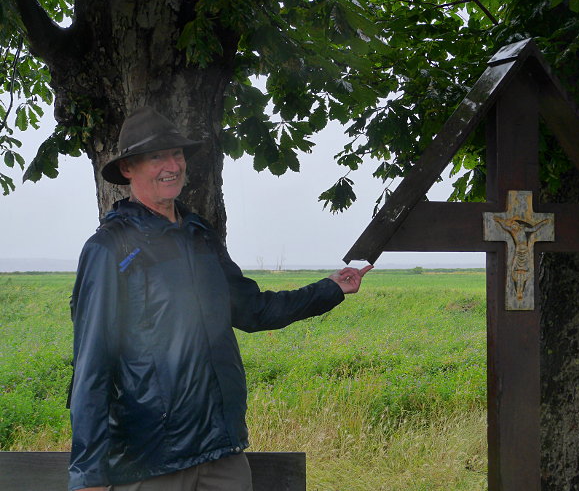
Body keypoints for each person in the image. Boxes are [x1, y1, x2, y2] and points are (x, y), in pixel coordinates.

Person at [68, 106, 372, 491]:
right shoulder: (110, 249)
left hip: (222, 453)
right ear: (128, 168)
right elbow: (92, 365)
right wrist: (88, 475)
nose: (172, 165)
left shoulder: (201, 238)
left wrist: (329, 288)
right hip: (150, 460)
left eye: (176, 154)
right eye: (157, 156)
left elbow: (254, 310)